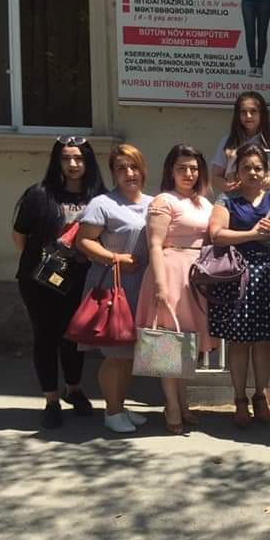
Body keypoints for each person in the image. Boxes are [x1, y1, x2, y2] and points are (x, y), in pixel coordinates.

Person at [12, 137, 107, 428]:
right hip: (39, 280)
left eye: (79, 158)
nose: (73, 164)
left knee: (73, 337)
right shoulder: (39, 195)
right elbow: (20, 236)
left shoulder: (99, 197)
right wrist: (46, 266)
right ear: (57, 161)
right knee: (45, 337)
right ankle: (51, 399)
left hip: (82, 280)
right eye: (66, 158)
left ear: (88, 162)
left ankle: (74, 389)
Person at [135, 144, 217, 434]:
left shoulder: (204, 203)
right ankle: (171, 405)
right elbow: (155, 245)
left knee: (188, 344)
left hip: (196, 280)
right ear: (171, 170)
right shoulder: (163, 200)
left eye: (194, 168)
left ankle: (183, 403)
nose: (189, 173)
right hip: (169, 274)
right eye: (182, 168)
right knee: (168, 345)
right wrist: (160, 285)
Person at [75, 144, 154, 433]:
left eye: (134, 167)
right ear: (113, 173)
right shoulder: (103, 204)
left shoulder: (154, 203)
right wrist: (115, 258)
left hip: (143, 287)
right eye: (121, 168)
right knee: (115, 355)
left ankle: (120, 404)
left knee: (130, 354)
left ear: (143, 170)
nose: (129, 173)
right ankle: (112, 411)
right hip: (114, 286)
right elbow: (83, 241)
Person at [207, 144, 270, 428]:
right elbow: (216, 234)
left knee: (263, 342)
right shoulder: (227, 199)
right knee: (238, 343)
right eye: (246, 167)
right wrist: (252, 234)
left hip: (268, 277)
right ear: (237, 171)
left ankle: (261, 396)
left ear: (266, 171)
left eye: (258, 167)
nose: (253, 172)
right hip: (236, 277)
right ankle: (239, 399)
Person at [210, 91, 270, 196]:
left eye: (253, 111)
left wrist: (251, 183)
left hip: (267, 200)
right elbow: (215, 177)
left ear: (262, 114)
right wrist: (229, 186)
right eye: (243, 112)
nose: (248, 116)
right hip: (236, 199)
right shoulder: (228, 141)